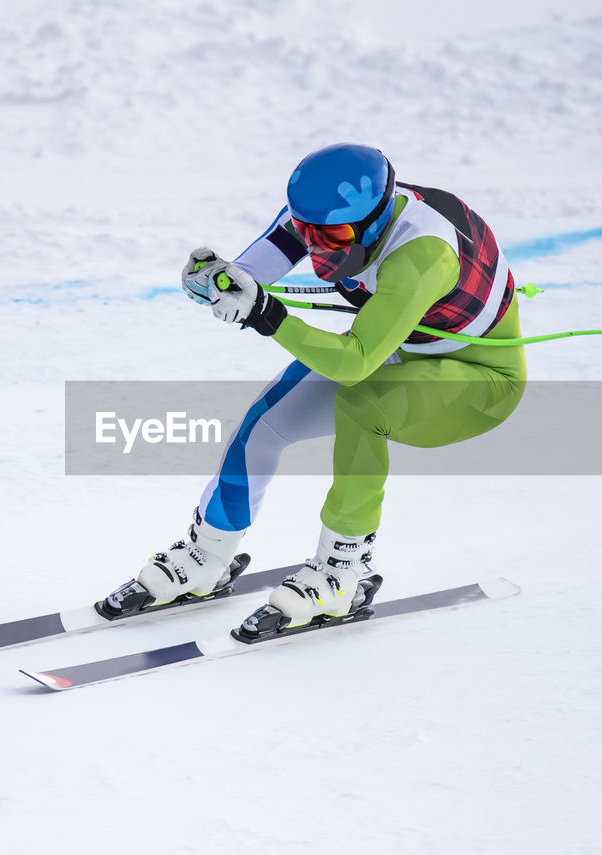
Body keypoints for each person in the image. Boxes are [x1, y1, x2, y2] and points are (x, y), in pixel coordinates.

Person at [104, 142, 527, 637]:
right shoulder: (320, 217)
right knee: (263, 422)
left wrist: (268, 316)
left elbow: (355, 364)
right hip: (397, 346)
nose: (318, 245)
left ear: (376, 218)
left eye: (334, 235)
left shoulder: (422, 254)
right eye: (307, 232)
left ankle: (342, 571)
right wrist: (220, 282)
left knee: (364, 404)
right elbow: (255, 270)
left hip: (477, 381)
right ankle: (208, 554)